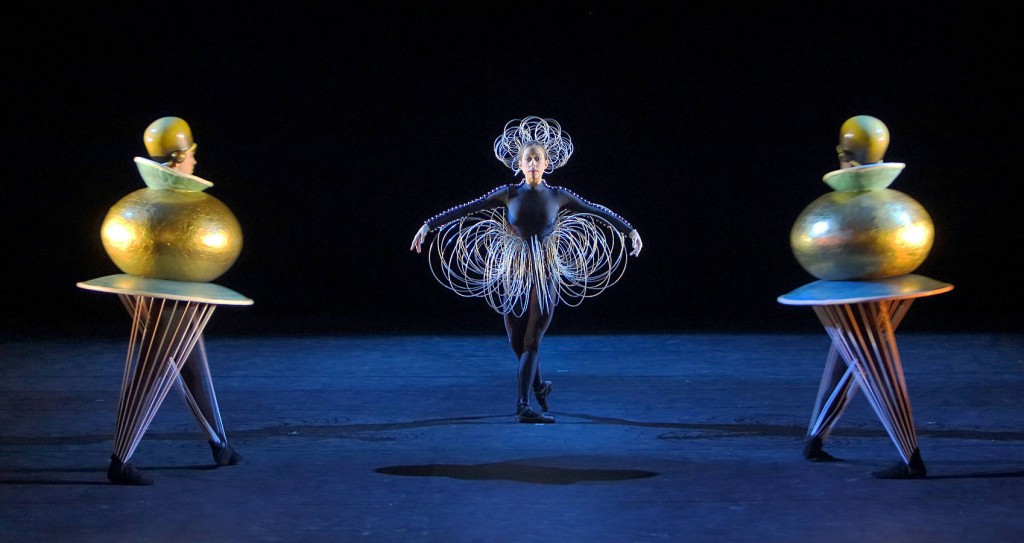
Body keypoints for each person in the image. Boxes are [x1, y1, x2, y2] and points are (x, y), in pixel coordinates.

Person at [410, 116, 643, 424]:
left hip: (544, 272)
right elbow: (466, 208)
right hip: (514, 273)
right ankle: (540, 388)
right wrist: (428, 225)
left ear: (547, 164)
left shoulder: (559, 195)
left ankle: (523, 405)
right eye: (528, 159)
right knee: (517, 342)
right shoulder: (509, 193)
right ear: (518, 164)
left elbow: (596, 209)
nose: (533, 163)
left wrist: (630, 231)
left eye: (538, 159)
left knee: (532, 340)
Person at [106, 117, 243, 485]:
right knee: (152, 374)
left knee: (192, 369)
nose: (196, 162)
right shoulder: (164, 205)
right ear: (179, 156)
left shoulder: (169, 204)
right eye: (193, 154)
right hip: (166, 295)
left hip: (180, 291)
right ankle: (121, 460)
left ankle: (220, 445)